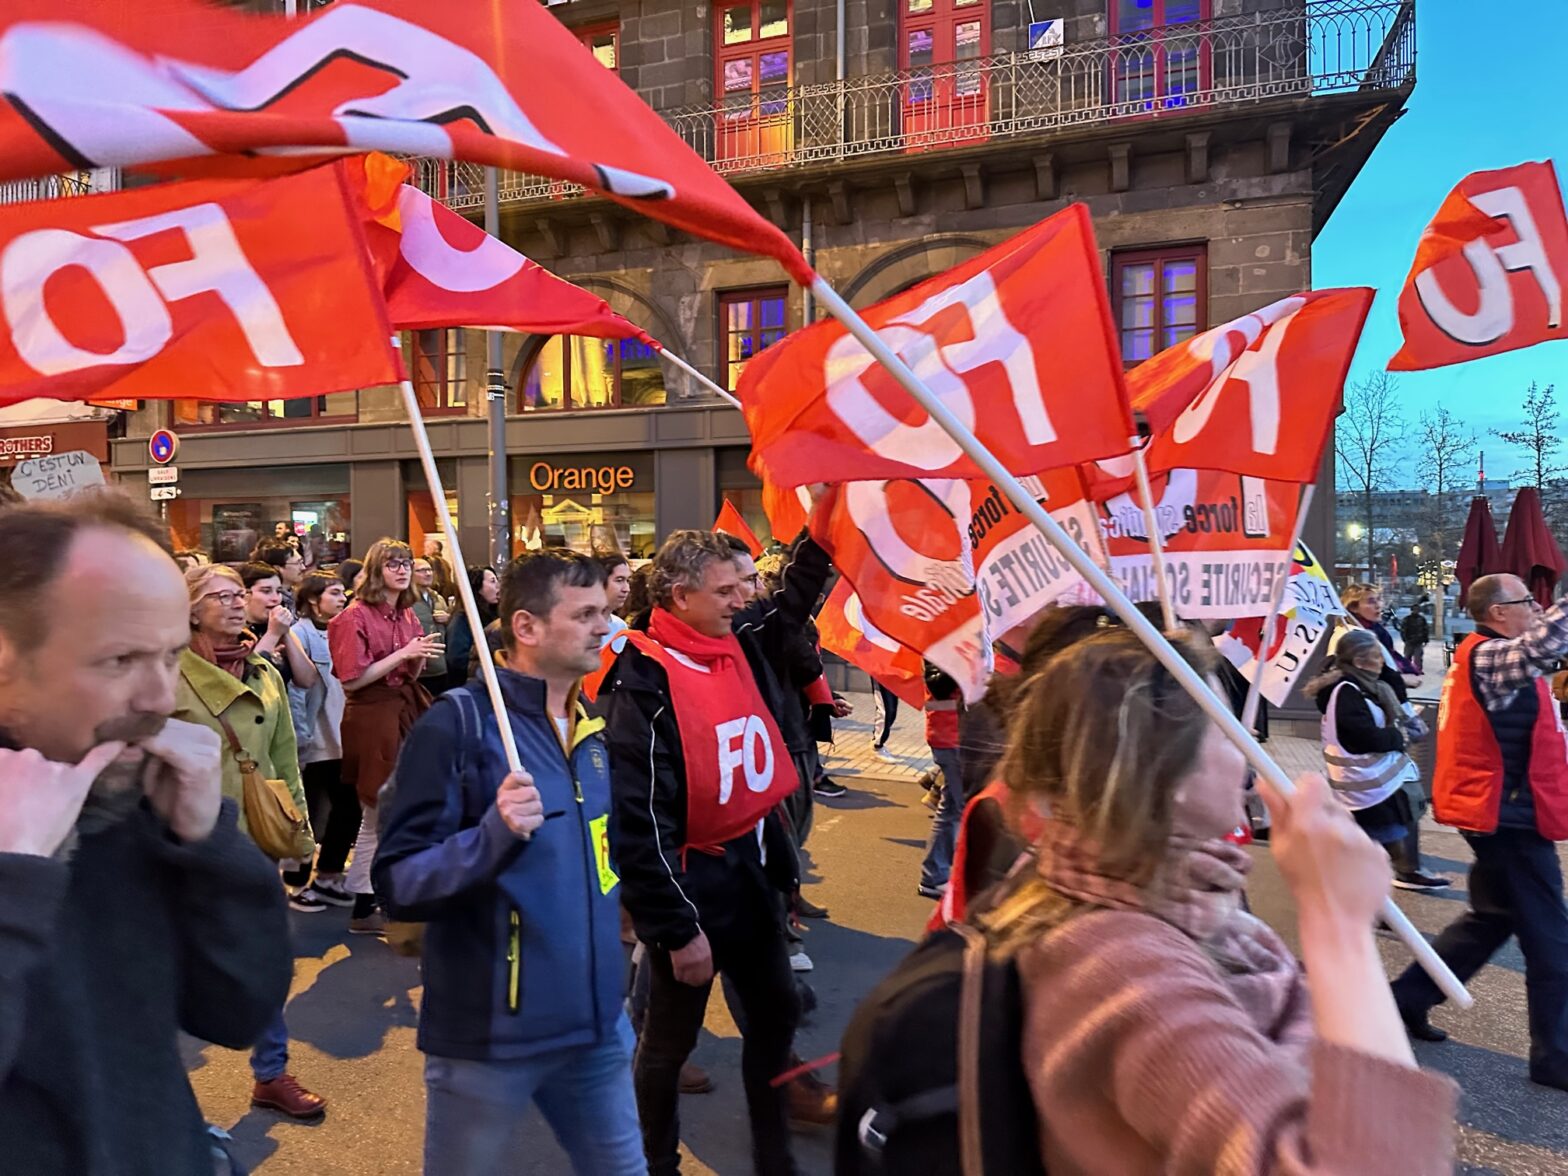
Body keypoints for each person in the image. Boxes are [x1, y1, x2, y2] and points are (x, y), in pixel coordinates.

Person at [986, 627, 1457, 1173]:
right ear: (1157, 771)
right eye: (1227, 729)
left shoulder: (1169, 900)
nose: (1250, 753)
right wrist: (1338, 926)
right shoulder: (1121, 965)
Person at [0, 491, 292, 1175]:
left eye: (168, 657)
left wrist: (211, 846)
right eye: (120, 662)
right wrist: (14, 876)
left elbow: (235, 1010)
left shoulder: (124, 802)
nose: (161, 698)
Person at [376, 552, 643, 1175]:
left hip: (598, 1026)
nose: (604, 626)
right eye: (584, 614)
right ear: (526, 628)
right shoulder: (458, 726)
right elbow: (400, 883)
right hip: (490, 1038)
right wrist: (492, 835)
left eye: (604, 611)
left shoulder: (589, 728)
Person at [604, 529, 831, 1176]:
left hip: (753, 871)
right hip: (692, 885)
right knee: (667, 1046)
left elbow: (793, 600)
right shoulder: (642, 677)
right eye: (727, 589)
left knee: (776, 1014)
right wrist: (677, 930)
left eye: (746, 584)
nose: (743, 598)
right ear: (680, 596)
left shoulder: (739, 637)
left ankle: (773, 1154)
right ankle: (656, 1162)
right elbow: (640, 820)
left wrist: (826, 522)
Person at [1390, 574, 1568, 1086]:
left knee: (1488, 921)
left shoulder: (1487, 655)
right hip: (1508, 820)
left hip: (1504, 815)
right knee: (1551, 938)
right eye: (1527, 602)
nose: (1536, 608)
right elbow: (1545, 645)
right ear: (1497, 614)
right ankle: (1554, 1054)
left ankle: (1405, 999)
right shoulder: (1490, 656)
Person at [176, 563, 326, 1119]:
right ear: (190, 609)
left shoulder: (263, 669)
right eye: (222, 597)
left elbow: (285, 758)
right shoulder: (168, 673)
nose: (238, 604)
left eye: (241, 595)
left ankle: (271, 1073)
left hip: (255, 843)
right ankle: (161, 1092)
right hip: (186, 845)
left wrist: (299, 839)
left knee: (266, 959)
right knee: (172, 965)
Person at [329, 539, 439, 935]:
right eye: (393, 563)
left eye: (406, 562)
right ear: (376, 570)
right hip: (373, 714)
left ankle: (378, 898)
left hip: (402, 706)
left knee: (397, 808)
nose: (402, 569)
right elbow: (352, 678)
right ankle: (366, 904)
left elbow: (410, 670)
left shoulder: (406, 613)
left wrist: (416, 655)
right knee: (378, 808)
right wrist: (405, 653)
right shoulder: (352, 617)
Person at [1308, 629, 1448, 890]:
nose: (1382, 661)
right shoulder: (1347, 691)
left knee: (1378, 849)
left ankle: (1382, 897)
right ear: (1360, 661)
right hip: (1369, 789)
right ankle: (1373, 904)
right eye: (1376, 656)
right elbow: (1362, 737)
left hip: (1377, 787)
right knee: (1378, 852)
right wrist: (1399, 736)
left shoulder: (1367, 685)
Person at [287, 571, 358, 910]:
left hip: (342, 735)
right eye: (334, 593)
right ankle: (303, 881)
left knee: (344, 808)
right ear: (313, 599)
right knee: (310, 812)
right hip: (317, 738)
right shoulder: (300, 634)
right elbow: (298, 693)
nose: (342, 598)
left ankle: (324, 875)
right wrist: (301, 738)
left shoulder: (342, 630)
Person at [917, 663, 964, 900]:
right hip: (950, 734)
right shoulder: (944, 644)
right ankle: (934, 876)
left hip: (955, 733)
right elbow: (939, 683)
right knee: (953, 808)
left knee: (952, 806)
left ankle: (936, 874)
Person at [240, 561, 319, 691]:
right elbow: (249, 677)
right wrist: (273, 634)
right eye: (266, 591)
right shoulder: (235, 632)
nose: (276, 599)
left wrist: (285, 633)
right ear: (244, 595)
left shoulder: (279, 627)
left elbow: (307, 680)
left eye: (278, 591)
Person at [1337, 583, 1419, 678]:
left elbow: (1390, 657)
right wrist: (1401, 681)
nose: (1378, 605)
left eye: (1379, 599)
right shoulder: (1348, 635)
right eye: (1371, 601)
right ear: (1353, 607)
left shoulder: (1377, 629)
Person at [444, 564, 499, 690]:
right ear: (477, 588)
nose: (498, 586)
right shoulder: (462, 620)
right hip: (468, 687)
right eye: (492, 581)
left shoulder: (492, 614)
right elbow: (456, 659)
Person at [412, 557, 453, 697]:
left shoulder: (437, 598)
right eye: (422, 571)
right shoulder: (405, 600)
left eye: (429, 570)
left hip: (442, 665)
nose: (428, 573)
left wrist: (448, 619)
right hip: (420, 670)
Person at [254, 537, 307, 609]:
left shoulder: (298, 597)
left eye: (302, 562)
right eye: (298, 563)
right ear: (277, 568)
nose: (303, 568)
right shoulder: (270, 604)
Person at [599, 551, 633, 652]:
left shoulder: (620, 626)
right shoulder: (576, 626)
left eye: (628, 581)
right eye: (619, 580)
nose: (626, 589)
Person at [1401, 606, 1431, 674]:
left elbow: (1425, 630)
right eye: (1414, 610)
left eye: (1417, 610)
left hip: (1418, 641)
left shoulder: (1422, 619)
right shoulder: (1407, 619)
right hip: (1409, 641)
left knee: (1418, 657)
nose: (1416, 611)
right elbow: (1403, 630)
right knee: (1407, 656)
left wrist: (1426, 639)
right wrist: (1405, 639)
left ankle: (1417, 669)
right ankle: (1407, 668)